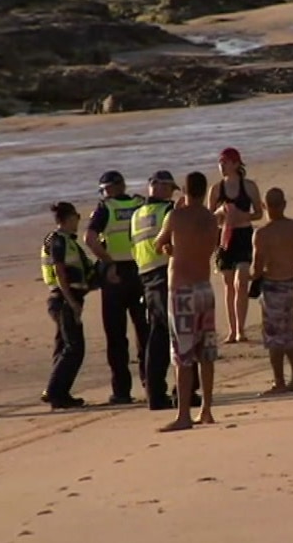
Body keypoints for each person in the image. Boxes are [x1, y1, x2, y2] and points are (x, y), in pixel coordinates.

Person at [130, 171, 201, 411]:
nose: (172, 193)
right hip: (166, 274)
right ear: (159, 187)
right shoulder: (167, 212)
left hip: (146, 276)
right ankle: (186, 392)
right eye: (170, 188)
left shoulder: (137, 214)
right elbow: (176, 240)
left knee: (158, 335)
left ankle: (156, 393)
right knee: (181, 332)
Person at [154, 171, 219, 432]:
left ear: (183, 189)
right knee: (206, 352)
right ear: (204, 191)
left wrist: (170, 247)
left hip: (182, 290)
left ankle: (184, 415)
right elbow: (208, 248)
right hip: (204, 288)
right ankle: (206, 409)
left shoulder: (176, 216)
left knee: (183, 355)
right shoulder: (210, 219)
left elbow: (158, 244)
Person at [84, 170, 149, 405]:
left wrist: (107, 261)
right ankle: (152, 385)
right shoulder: (140, 203)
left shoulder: (105, 208)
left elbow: (89, 239)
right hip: (141, 270)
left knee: (116, 337)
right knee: (145, 332)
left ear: (107, 189)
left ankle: (121, 392)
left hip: (114, 274)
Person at [41, 202, 107, 408]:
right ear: (69, 218)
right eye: (77, 216)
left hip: (67, 299)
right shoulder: (58, 241)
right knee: (74, 348)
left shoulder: (68, 242)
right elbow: (60, 272)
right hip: (63, 300)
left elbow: (82, 271)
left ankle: (60, 394)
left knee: (63, 346)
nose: (78, 220)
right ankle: (54, 392)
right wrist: (71, 302)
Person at [250, 187, 293, 396]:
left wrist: (251, 277)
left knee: (274, 336)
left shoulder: (262, 233)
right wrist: (288, 265)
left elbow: (257, 268)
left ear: (265, 207)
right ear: (284, 205)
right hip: (290, 282)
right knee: (288, 332)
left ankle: (279, 381)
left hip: (273, 285)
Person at [208, 147, 263, 344]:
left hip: (244, 235)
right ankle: (232, 330)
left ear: (236, 164)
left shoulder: (248, 186)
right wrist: (221, 212)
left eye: (226, 162)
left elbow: (259, 212)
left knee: (242, 282)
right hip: (224, 238)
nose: (222, 166)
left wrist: (243, 216)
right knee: (228, 285)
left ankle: (241, 329)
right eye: (220, 163)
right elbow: (209, 218)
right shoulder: (216, 189)